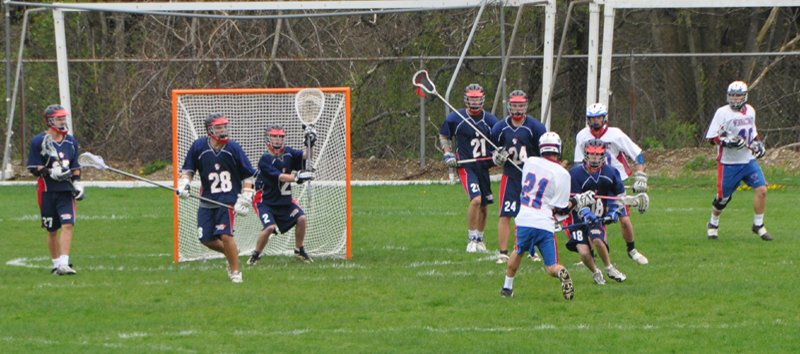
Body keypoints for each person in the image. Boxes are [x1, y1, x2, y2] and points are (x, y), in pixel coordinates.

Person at [501, 132, 592, 300]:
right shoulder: (562, 173)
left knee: (518, 251)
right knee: (551, 266)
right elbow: (562, 209)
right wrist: (578, 200)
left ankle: (507, 288)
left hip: (525, 219)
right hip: (544, 223)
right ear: (558, 149)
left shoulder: (529, 163)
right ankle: (561, 272)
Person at [177, 113, 257, 283]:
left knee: (226, 236)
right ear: (209, 130)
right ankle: (232, 251)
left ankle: (235, 271)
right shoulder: (199, 147)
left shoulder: (233, 148)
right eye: (218, 127)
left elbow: (248, 175)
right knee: (206, 239)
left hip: (228, 201)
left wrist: (247, 195)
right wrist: (184, 183)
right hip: (207, 200)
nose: (222, 130)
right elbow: (188, 169)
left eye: (224, 127)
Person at [574, 103, 649, 265]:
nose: (595, 121)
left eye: (598, 117)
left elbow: (637, 154)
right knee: (590, 219)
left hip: (614, 181)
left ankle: (632, 250)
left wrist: (640, 175)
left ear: (604, 118)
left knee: (624, 219)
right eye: (592, 118)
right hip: (591, 181)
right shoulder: (582, 136)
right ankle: (591, 254)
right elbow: (578, 162)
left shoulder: (615, 134)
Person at [704, 81, 772, 241]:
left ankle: (758, 226)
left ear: (745, 96)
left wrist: (758, 144)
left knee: (762, 190)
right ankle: (713, 224)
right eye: (732, 95)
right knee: (723, 199)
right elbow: (711, 138)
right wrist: (726, 141)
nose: (735, 99)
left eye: (738, 95)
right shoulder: (722, 113)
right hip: (729, 163)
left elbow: (753, 133)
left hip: (748, 161)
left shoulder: (750, 111)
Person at [439, 83, 499, 253]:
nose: (474, 102)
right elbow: (444, 135)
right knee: (476, 200)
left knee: (484, 204)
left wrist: (498, 155)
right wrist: (448, 153)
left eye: (477, 99)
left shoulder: (490, 120)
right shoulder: (456, 118)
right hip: (466, 165)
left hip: (483, 166)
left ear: (482, 99)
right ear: (466, 99)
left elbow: (498, 141)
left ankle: (480, 239)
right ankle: (471, 239)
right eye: (471, 99)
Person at [490, 90, 547, 264]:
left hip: (531, 177)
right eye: (514, 105)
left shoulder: (536, 127)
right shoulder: (500, 128)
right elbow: (492, 151)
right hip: (511, 176)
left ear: (526, 106)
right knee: (506, 213)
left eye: (520, 105)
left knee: (532, 214)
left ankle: (531, 249)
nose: (517, 109)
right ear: (509, 106)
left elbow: (544, 152)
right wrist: (496, 158)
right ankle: (503, 252)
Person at [26, 104, 84, 275]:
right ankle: (56, 264)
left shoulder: (70, 142)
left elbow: (75, 167)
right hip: (46, 191)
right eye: (59, 118)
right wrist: (50, 172)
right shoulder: (38, 141)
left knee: (68, 224)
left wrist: (78, 183)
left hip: (66, 190)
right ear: (50, 120)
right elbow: (33, 168)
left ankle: (65, 263)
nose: (62, 121)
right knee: (52, 229)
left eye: (63, 118)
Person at [247, 124, 317, 265]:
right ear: (268, 138)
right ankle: (256, 255)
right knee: (269, 227)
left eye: (280, 136)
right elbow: (280, 177)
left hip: (284, 201)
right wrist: (297, 177)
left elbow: (306, 156)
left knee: (302, 218)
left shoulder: (289, 153)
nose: (277, 139)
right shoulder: (265, 159)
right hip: (265, 201)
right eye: (274, 136)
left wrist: (310, 143)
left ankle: (299, 250)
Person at [564, 139, 629, 284]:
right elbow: (573, 200)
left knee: (598, 240)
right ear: (586, 155)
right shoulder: (575, 173)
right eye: (591, 155)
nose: (594, 158)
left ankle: (609, 268)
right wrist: (586, 213)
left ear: (603, 155)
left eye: (598, 155)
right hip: (577, 218)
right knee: (584, 252)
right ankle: (595, 272)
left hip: (597, 217)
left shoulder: (611, 172)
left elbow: (620, 196)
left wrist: (614, 211)